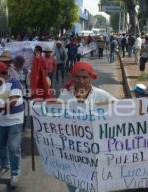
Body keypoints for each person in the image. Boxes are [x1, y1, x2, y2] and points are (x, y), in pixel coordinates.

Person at [58, 62, 117, 192]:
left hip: (93, 153)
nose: (81, 81)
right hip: (70, 152)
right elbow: (55, 120)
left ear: (91, 77)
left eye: (85, 77)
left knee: (90, 186)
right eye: (78, 77)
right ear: (72, 77)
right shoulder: (64, 95)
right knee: (72, 184)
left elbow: (123, 109)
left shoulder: (102, 95)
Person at [0, 62, 24, 189]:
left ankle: (15, 173)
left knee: (13, 147)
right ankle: (5, 166)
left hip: (15, 121)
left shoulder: (14, 83)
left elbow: (13, 103)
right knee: (1, 145)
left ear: (1, 73)